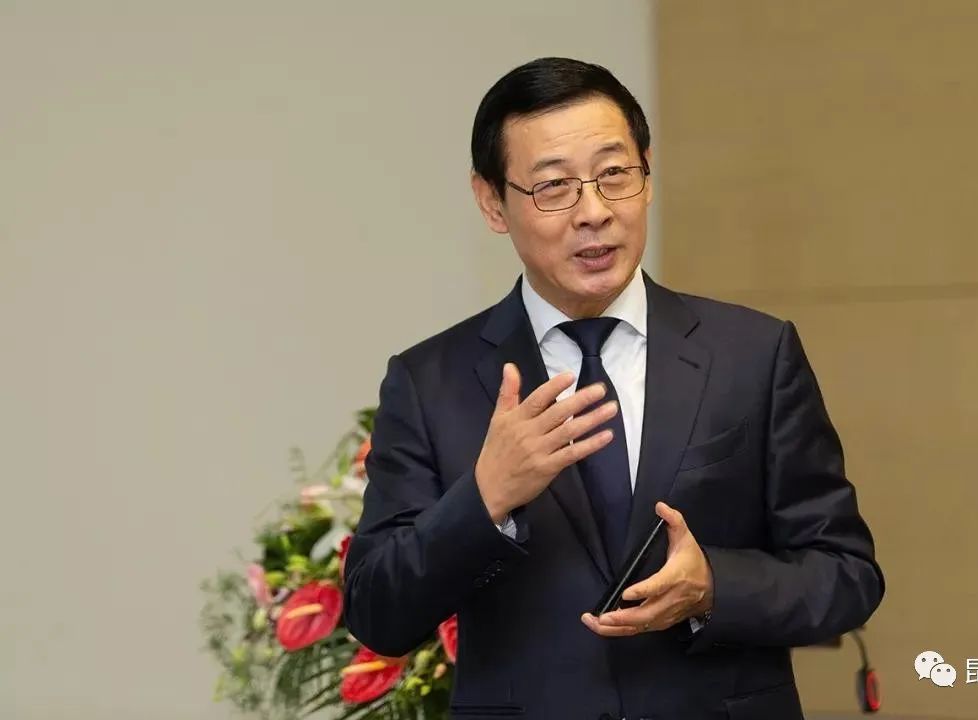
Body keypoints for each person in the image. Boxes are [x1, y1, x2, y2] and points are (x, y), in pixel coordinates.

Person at [343, 57, 884, 720]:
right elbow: (377, 613)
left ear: (647, 174)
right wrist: (485, 498)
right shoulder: (431, 382)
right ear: (491, 202)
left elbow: (847, 576)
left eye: (614, 175)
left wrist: (715, 585)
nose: (594, 212)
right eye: (554, 187)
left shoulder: (752, 355)